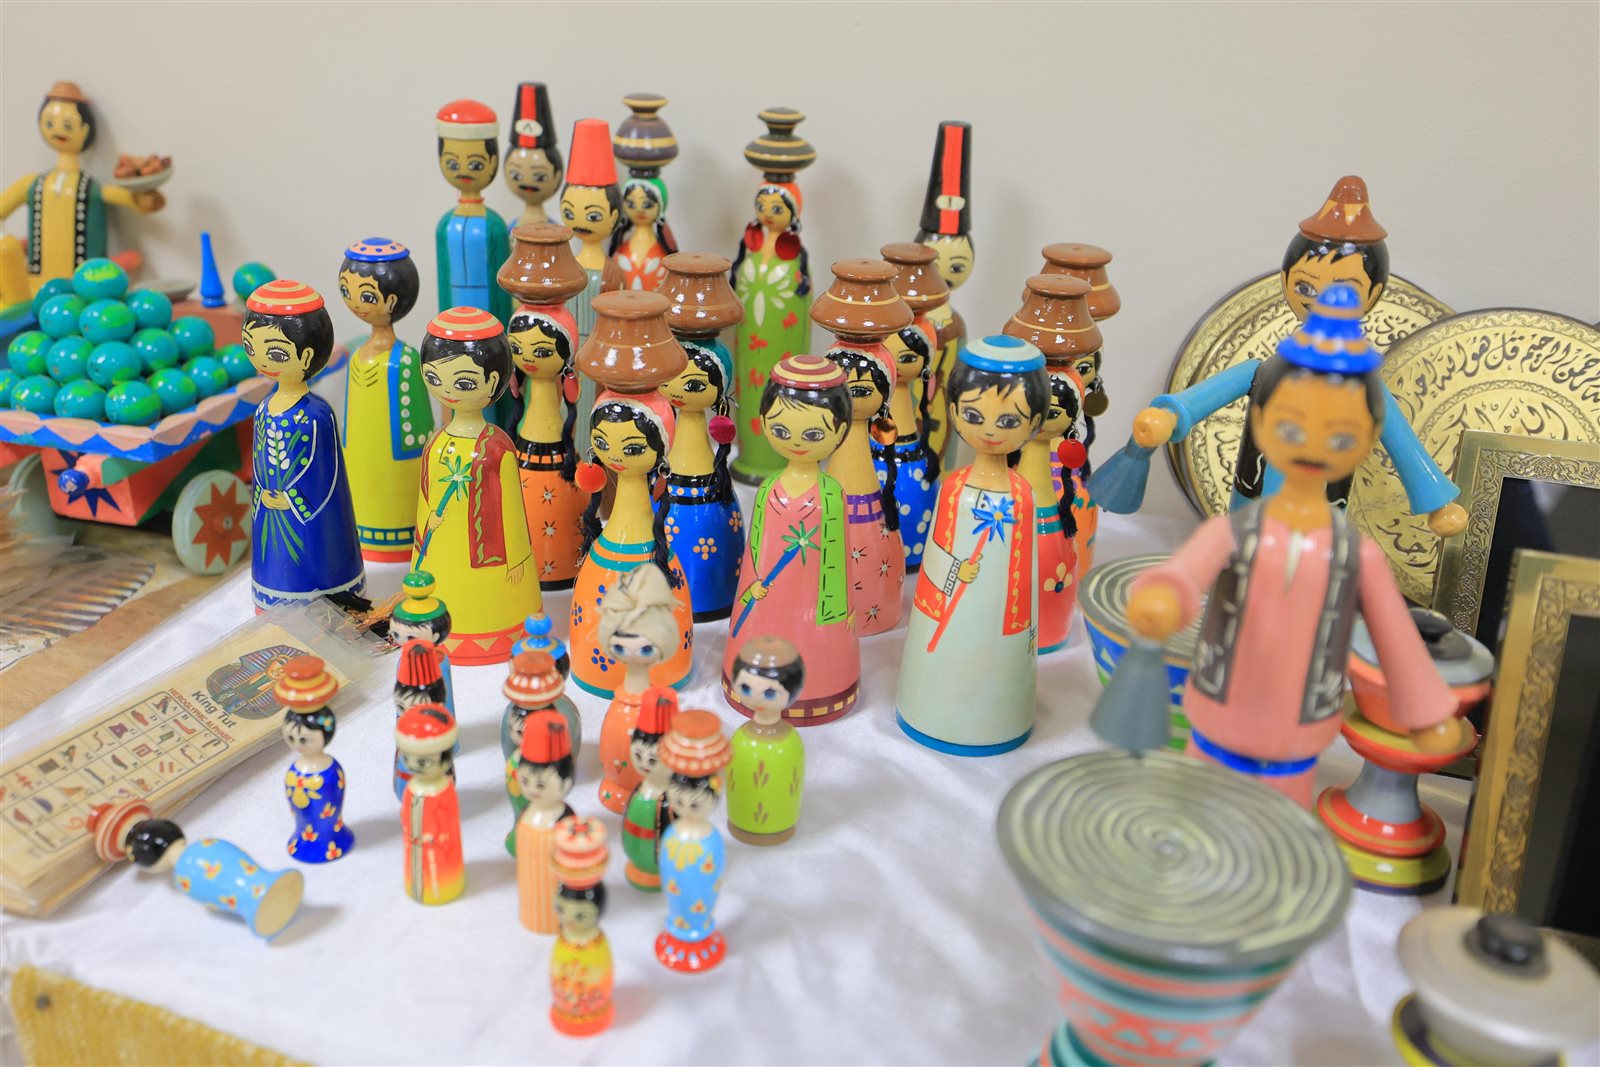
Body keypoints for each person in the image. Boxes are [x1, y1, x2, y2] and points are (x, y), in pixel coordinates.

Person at [1125, 285, 1472, 807]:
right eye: (1291, 427)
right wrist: (1163, 598)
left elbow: (1395, 637)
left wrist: (1423, 710)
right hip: (1216, 717)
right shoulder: (1235, 532)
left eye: (1340, 437)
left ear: (1370, 435)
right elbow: (1183, 575)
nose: (1312, 446)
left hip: (1296, 736)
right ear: (1260, 422)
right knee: (1191, 820)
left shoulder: (1355, 555)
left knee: (1276, 835)